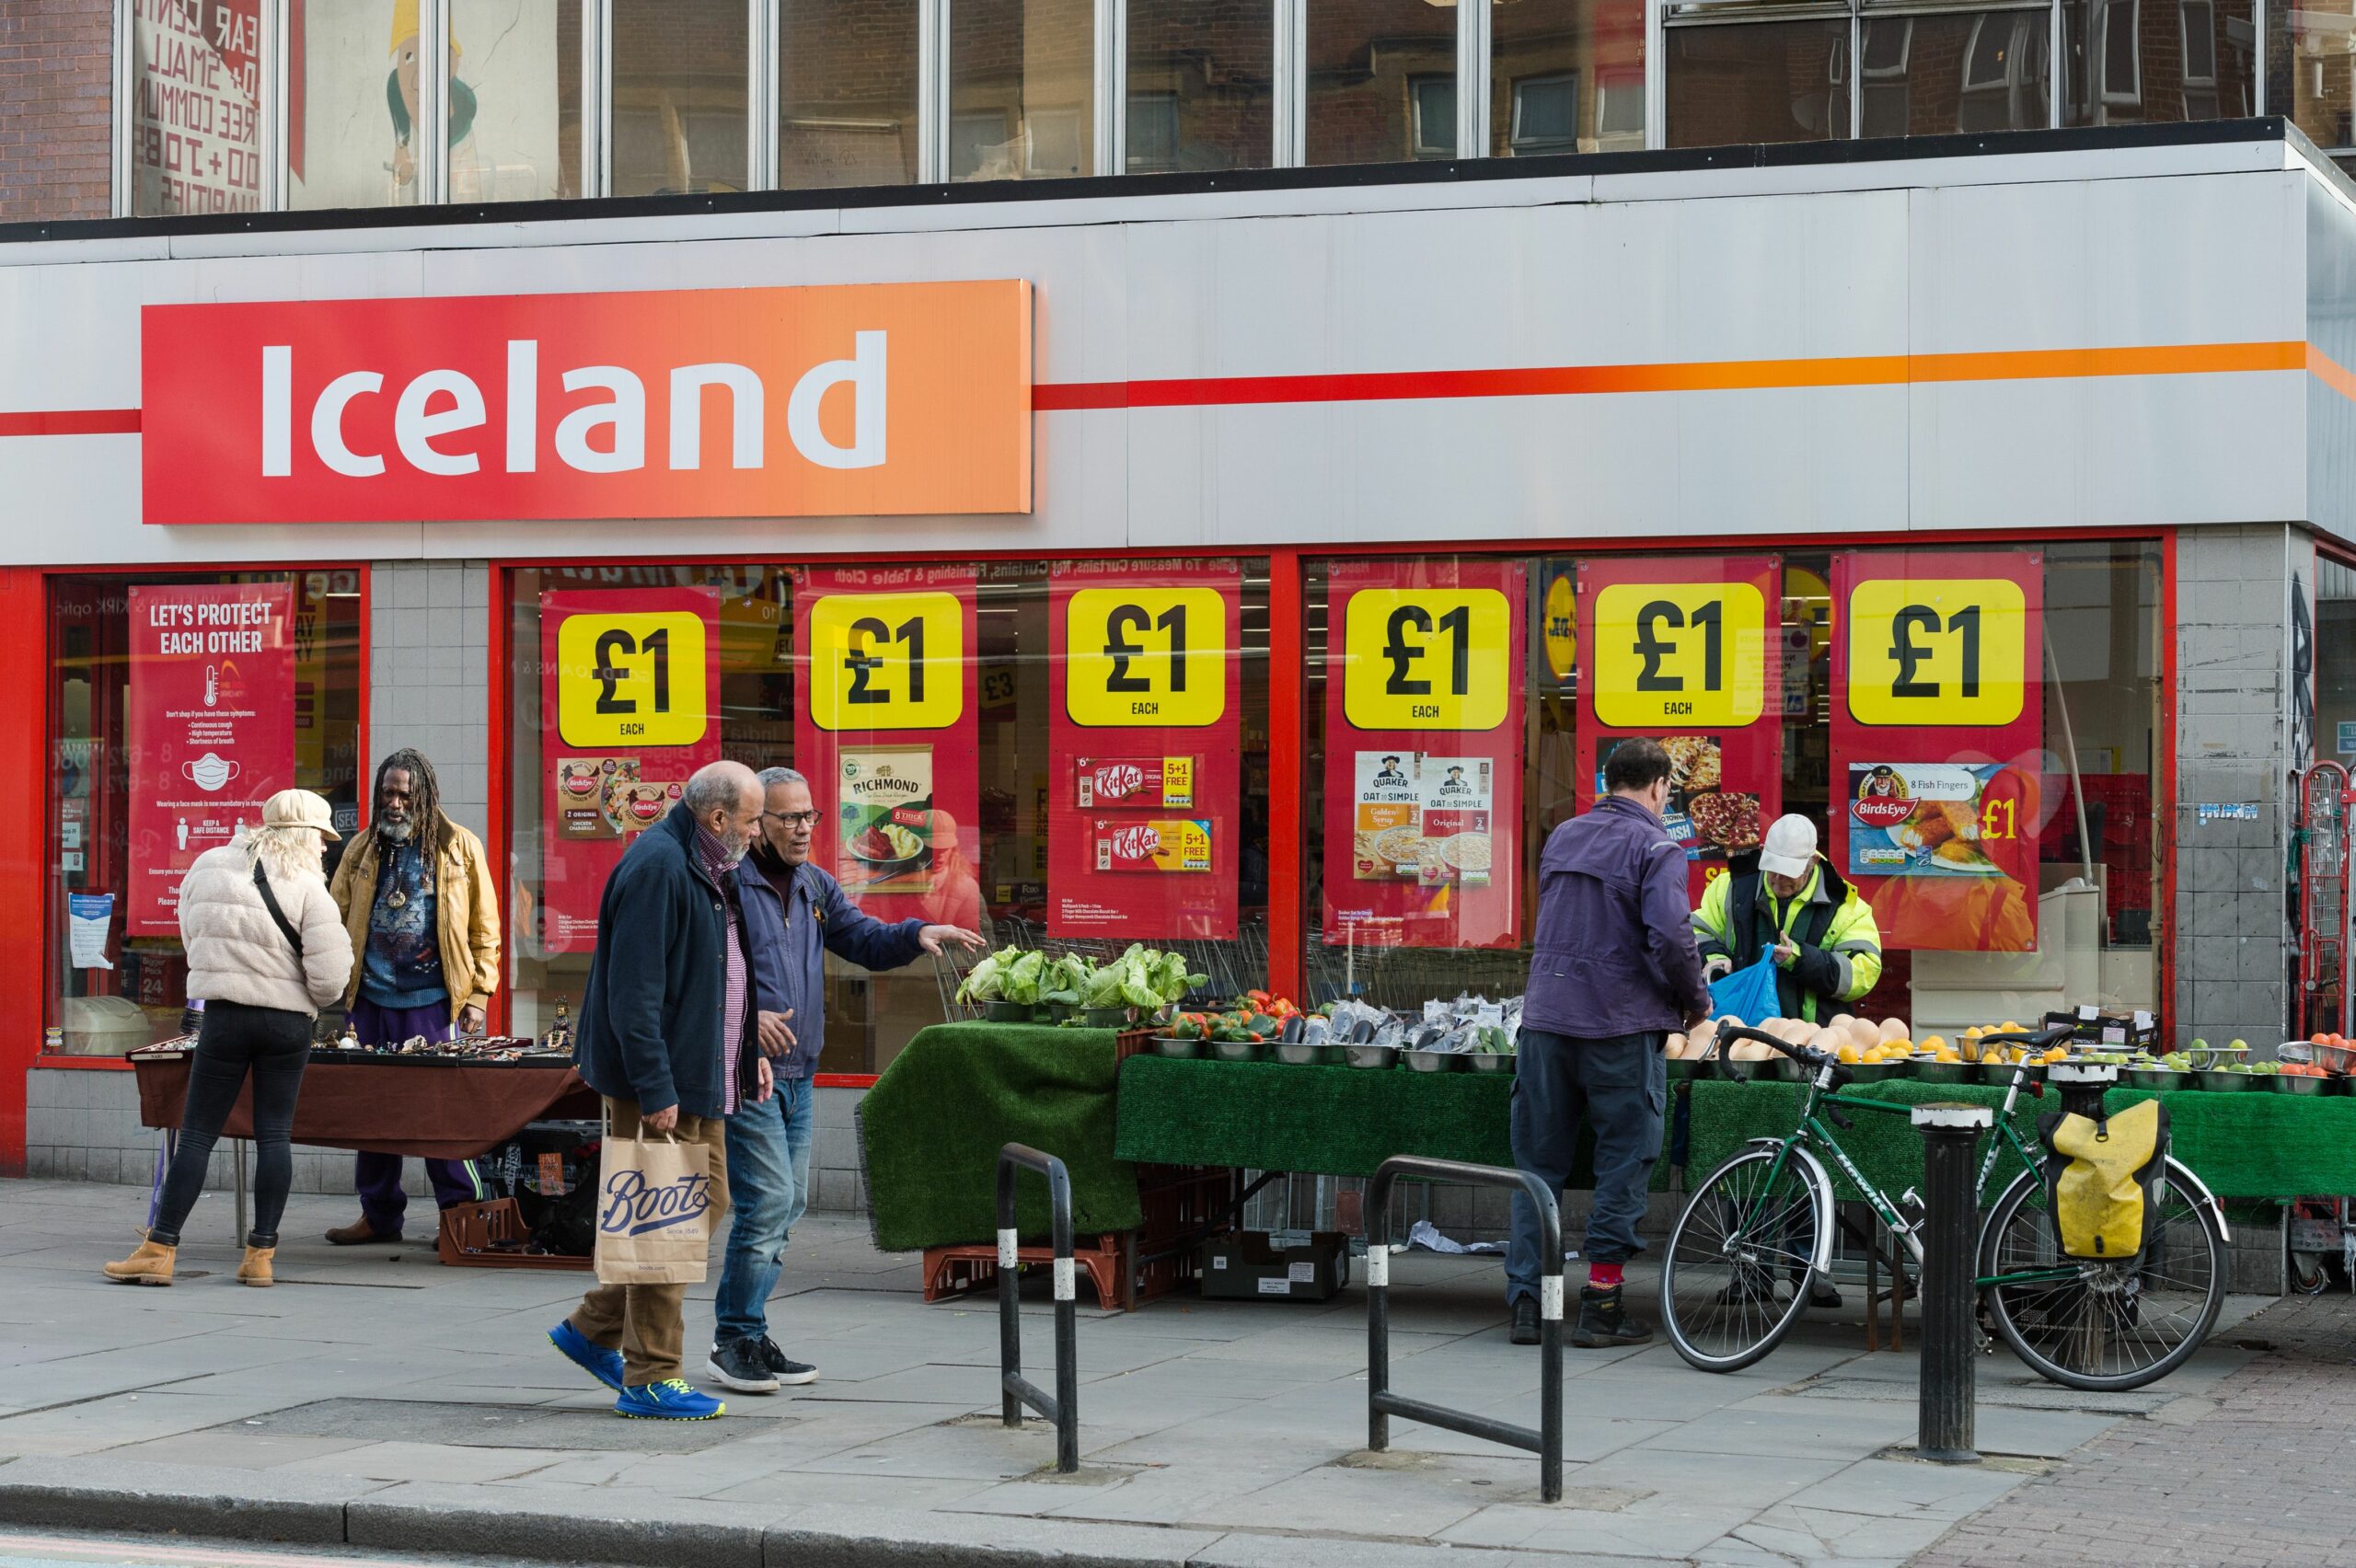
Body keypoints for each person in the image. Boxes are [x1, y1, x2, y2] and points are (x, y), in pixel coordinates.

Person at [705, 767, 985, 1394]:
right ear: (756, 826)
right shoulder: (724, 886)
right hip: (748, 1071)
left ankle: (748, 1331)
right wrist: (746, 1031)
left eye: (811, 817)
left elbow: (861, 937)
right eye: (788, 818)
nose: (804, 829)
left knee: (789, 1204)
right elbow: (702, 976)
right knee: (769, 1202)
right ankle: (733, 1339)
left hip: (801, 1072)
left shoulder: (812, 884)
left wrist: (918, 933)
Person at [546, 760, 773, 1422]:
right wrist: (655, 1087)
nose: (760, 833)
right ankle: (651, 1375)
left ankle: (592, 1326)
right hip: (666, 1082)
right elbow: (634, 995)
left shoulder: (709, 864)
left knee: (706, 1203)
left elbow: (723, 976)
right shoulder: (661, 868)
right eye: (754, 819)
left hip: (702, 1073)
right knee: (664, 1220)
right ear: (718, 817)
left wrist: (746, 1049)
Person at [105, 791, 354, 1288]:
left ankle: (160, 1249)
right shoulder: (308, 885)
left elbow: (191, 935)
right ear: (305, 834)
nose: (326, 850)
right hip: (286, 1026)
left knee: (196, 1134)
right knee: (274, 1136)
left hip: (222, 1017)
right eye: (322, 839)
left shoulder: (208, 864)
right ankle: (259, 1257)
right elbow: (330, 980)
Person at [1507, 737, 1710, 1350]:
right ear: (1659, 788)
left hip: (1545, 1021)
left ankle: (1527, 1305)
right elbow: (1672, 938)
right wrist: (1696, 1002)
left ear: (1609, 780)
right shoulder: (1657, 846)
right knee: (1624, 1158)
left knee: (1537, 1166)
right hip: (1619, 1027)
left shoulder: (1564, 836)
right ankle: (1601, 1304)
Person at [323, 749, 502, 1246]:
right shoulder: (360, 849)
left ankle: (459, 1217)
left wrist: (479, 996)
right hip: (370, 1003)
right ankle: (379, 1217)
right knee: (373, 1114)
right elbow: (334, 919)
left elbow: (485, 928)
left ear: (424, 795)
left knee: (439, 1113)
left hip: (432, 1003)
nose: (396, 802)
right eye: (388, 793)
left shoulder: (460, 847)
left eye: (405, 793)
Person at [1692, 813, 1883, 1027]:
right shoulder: (1728, 889)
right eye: (1773, 870)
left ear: (1813, 862)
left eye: (1788, 873)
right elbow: (1696, 932)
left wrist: (1800, 958)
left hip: (1812, 1040)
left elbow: (1862, 974)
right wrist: (1714, 958)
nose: (1778, 880)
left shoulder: (1846, 906)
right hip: (1741, 1035)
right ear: (1763, 851)